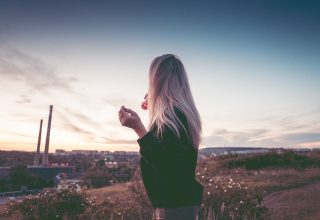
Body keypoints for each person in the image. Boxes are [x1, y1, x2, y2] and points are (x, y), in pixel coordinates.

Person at [118, 54, 203, 220]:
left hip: (174, 208)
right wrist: (156, 101)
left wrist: (139, 128)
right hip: (179, 204)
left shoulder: (173, 117)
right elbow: (172, 156)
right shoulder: (180, 114)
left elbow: (165, 163)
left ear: (157, 80)